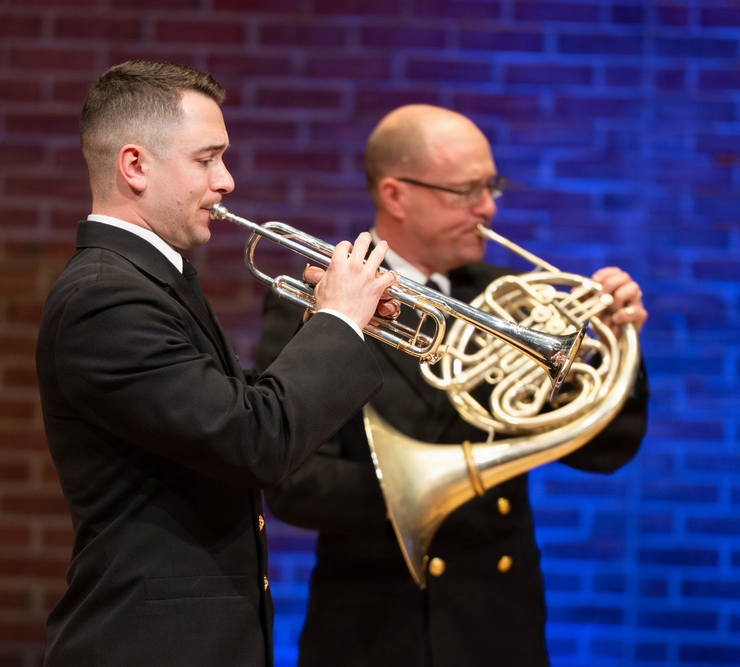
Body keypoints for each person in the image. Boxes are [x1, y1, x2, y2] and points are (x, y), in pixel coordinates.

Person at [255, 104, 650, 667]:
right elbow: (292, 477)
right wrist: (425, 491)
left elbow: (608, 451)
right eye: (466, 192)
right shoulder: (324, 297)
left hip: (497, 623)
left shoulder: (517, 293)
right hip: (374, 629)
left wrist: (610, 350)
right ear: (396, 195)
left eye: (491, 187)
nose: (487, 208)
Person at [35, 60, 400, 667]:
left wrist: (325, 326)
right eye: (207, 159)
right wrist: (339, 323)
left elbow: (227, 410)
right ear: (135, 166)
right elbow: (255, 443)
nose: (227, 180)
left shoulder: (151, 278)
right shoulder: (107, 297)